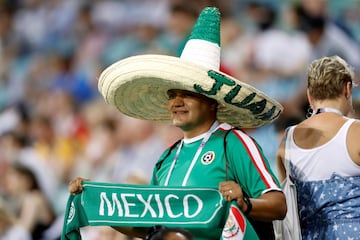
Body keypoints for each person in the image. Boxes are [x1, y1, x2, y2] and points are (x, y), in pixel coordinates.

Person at [69, 7, 286, 240]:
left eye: (187, 94)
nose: (176, 102)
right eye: (172, 95)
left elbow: (278, 204)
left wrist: (247, 204)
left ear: (212, 102)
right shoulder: (166, 159)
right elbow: (148, 228)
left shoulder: (233, 143)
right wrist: (97, 203)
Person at [276, 55, 360, 239]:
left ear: (309, 96)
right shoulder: (356, 132)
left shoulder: (287, 140)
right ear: (347, 89)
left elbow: (285, 203)